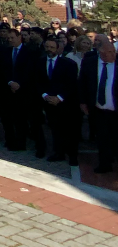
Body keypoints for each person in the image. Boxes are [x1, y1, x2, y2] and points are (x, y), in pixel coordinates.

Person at [39, 35, 80, 165]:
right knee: (55, 129)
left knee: (69, 130)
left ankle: (72, 155)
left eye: (52, 47)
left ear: (58, 49)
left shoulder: (68, 64)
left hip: (66, 103)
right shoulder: (39, 62)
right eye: (47, 47)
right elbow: (37, 81)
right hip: (49, 102)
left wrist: (60, 97)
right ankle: (59, 153)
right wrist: (45, 95)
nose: (49, 49)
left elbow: (72, 84)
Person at [79, 35, 117, 174]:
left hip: (115, 109)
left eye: (113, 52)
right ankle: (105, 164)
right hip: (98, 109)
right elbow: (82, 83)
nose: (112, 55)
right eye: (108, 53)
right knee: (102, 138)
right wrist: (83, 102)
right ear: (101, 53)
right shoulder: (90, 62)